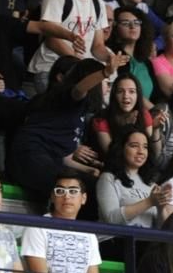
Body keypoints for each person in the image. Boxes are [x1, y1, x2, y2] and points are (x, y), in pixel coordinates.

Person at [9, 54, 126, 200]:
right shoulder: (67, 96)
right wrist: (105, 72)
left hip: (47, 161)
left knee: (98, 185)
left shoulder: (80, 112)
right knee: (83, 190)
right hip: (29, 157)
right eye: (104, 82)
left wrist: (89, 169)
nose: (107, 87)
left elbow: (61, 156)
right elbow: (79, 90)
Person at [22, 170, 109, 273]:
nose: (66, 196)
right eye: (60, 191)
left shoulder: (89, 235)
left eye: (73, 191)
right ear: (53, 197)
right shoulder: (38, 227)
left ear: (83, 199)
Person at [27, 0, 112, 94]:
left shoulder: (98, 3)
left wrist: (110, 57)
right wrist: (81, 65)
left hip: (77, 71)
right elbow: (51, 40)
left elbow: (97, 46)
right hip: (50, 69)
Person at [97, 130, 167, 231]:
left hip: (145, 243)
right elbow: (111, 219)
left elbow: (161, 229)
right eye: (134, 146)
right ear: (121, 148)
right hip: (114, 241)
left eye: (145, 147)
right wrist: (149, 202)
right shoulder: (108, 178)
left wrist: (161, 209)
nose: (141, 151)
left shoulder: (151, 185)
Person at [90, 74, 155, 158]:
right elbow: (112, 155)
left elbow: (148, 152)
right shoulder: (101, 119)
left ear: (138, 95)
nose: (126, 96)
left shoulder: (144, 114)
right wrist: (128, 127)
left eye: (131, 91)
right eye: (120, 91)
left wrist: (156, 129)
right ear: (114, 95)